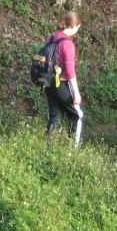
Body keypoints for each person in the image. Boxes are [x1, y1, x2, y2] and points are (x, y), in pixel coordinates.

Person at [44, 12, 83, 148]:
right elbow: (70, 71)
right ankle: (73, 150)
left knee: (55, 116)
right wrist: (76, 93)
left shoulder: (52, 37)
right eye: (78, 27)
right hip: (61, 83)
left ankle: (49, 149)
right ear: (75, 26)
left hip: (48, 82)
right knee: (77, 115)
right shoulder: (67, 44)